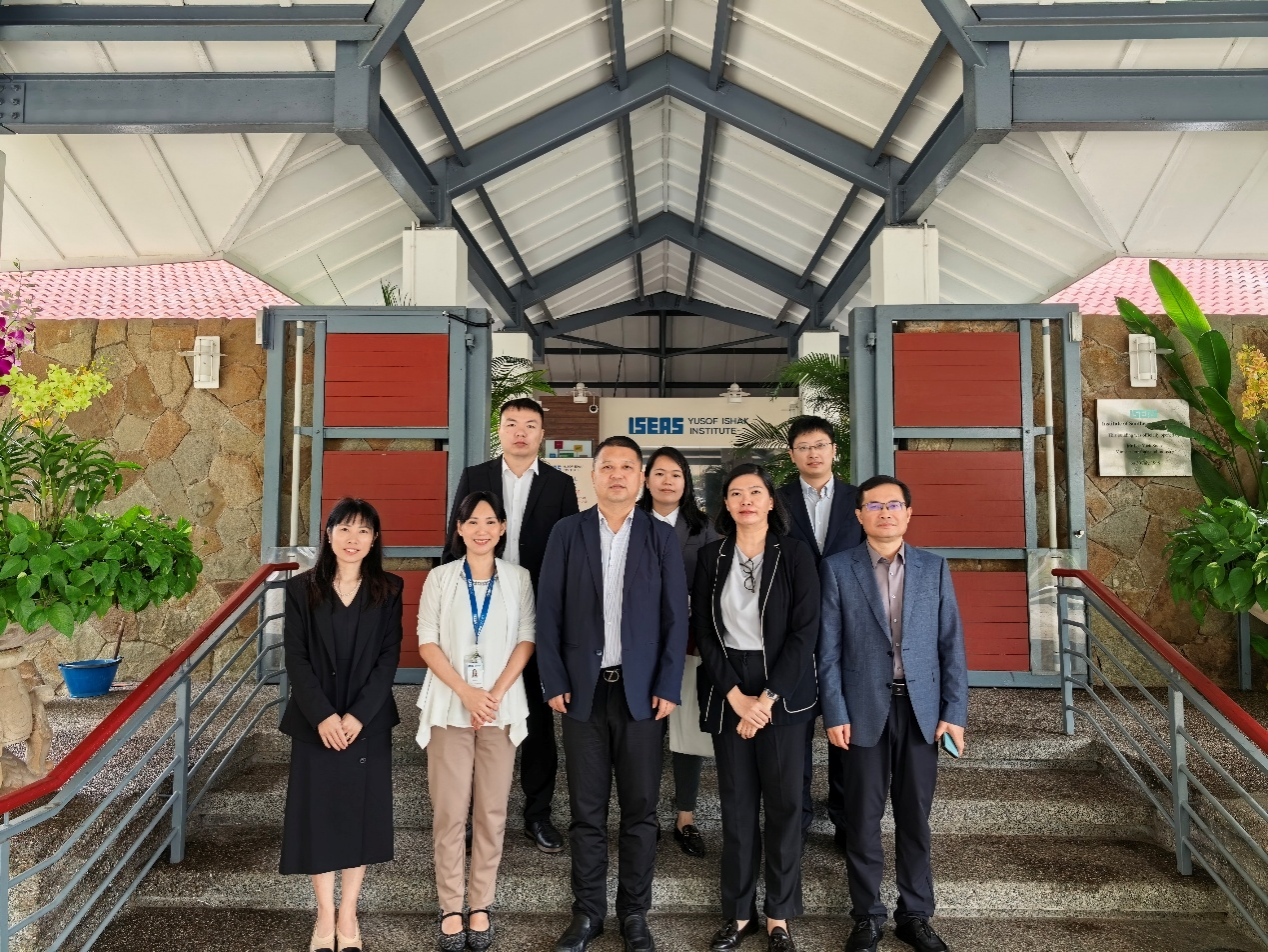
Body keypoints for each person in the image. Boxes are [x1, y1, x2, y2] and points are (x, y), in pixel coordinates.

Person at [536, 435, 689, 952]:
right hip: (581, 692)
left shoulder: (660, 536)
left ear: (640, 477)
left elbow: (676, 618)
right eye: (608, 466)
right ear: (593, 475)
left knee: (641, 811)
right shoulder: (567, 531)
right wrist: (554, 679)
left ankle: (634, 914)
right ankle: (587, 913)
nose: (617, 475)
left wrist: (668, 684)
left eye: (627, 467)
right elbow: (548, 611)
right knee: (587, 811)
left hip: (642, 694)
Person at [817, 475, 968, 952]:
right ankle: (867, 916)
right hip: (862, 710)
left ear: (908, 513)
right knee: (861, 820)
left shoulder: (933, 568)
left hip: (922, 712)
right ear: (859, 515)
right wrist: (834, 711)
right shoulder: (837, 569)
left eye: (894, 504)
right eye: (874, 505)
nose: (885, 512)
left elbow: (951, 645)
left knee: (914, 818)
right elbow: (828, 651)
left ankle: (915, 915)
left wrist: (954, 712)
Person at [441, 397, 580, 854]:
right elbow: (453, 542)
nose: (521, 432)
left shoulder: (560, 484)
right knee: (474, 714)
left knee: (537, 719)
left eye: (530, 425)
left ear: (542, 434)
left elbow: (568, 558)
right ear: (499, 430)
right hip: (480, 609)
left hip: (535, 613)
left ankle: (537, 814)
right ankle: (468, 814)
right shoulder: (476, 476)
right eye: (512, 423)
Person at [692, 464, 820, 952]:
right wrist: (735, 696)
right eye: (736, 493)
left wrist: (765, 700)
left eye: (755, 492)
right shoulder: (712, 556)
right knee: (737, 805)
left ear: (770, 501)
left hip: (782, 690)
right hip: (729, 685)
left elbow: (805, 632)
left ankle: (779, 916)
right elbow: (705, 631)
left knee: (785, 807)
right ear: (725, 504)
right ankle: (739, 913)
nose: (746, 500)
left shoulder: (795, 554)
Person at [279, 498, 403, 952]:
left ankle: (348, 911)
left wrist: (356, 717)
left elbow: (388, 658)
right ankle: (324, 914)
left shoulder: (389, 589)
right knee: (319, 818)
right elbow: (296, 658)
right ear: (328, 534)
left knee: (360, 817)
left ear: (374, 540)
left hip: (366, 723)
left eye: (363, 531)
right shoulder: (301, 589)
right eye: (344, 529)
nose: (353, 539)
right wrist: (324, 717)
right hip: (316, 722)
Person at [417, 491, 537, 951]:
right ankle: (451, 905)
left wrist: (493, 695)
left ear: (502, 528)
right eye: (472, 522)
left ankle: (481, 902)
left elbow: (526, 639)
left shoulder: (518, 578)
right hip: (449, 707)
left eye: (490, 522)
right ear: (459, 529)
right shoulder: (440, 578)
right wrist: (466, 692)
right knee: (450, 812)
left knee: (491, 812)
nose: (482, 530)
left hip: (500, 710)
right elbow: (426, 641)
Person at [774, 415, 863, 844]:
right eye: (804, 447)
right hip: (793, 627)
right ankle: (798, 819)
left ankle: (845, 820)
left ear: (834, 451)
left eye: (820, 445)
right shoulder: (777, 500)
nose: (813, 453)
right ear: (792, 455)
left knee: (846, 727)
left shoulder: (858, 499)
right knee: (795, 729)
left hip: (849, 628)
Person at [636, 446, 720, 858]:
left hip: (688, 645)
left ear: (686, 483)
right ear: (646, 479)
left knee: (688, 733)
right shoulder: (629, 522)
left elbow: (717, 583)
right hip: (637, 646)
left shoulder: (705, 528)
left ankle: (685, 816)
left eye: (676, 474)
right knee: (643, 734)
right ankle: (644, 815)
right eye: (660, 473)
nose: (668, 481)